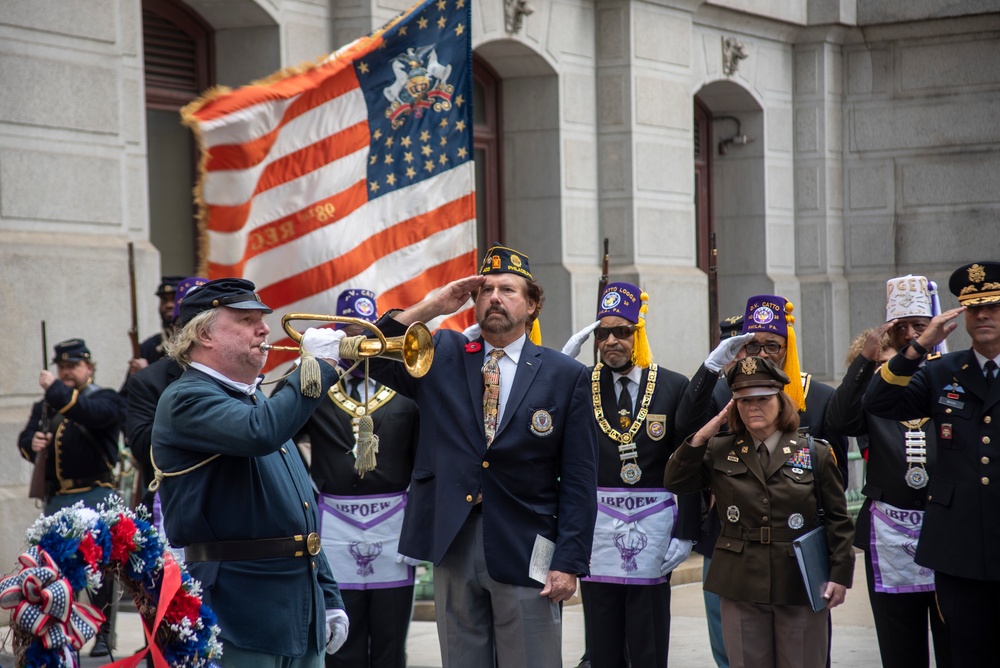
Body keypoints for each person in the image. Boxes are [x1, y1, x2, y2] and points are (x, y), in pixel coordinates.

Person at [366, 245, 599, 667]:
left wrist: (569, 561)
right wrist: (433, 305)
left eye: (508, 289)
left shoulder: (565, 375)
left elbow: (580, 477)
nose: (494, 297)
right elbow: (371, 350)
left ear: (531, 305)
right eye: (485, 289)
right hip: (453, 539)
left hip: (528, 543)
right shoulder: (441, 354)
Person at [150, 277, 349, 667]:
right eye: (246, 320)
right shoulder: (185, 398)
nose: (263, 329)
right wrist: (317, 367)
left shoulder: (254, 399)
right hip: (239, 613)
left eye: (262, 319)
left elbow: (299, 509)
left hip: (299, 608)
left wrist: (329, 594)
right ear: (204, 334)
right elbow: (260, 433)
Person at [664, 356, 855, 668]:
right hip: (740, 582)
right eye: (744, 400)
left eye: (763, 399)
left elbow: (838, 519)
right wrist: (700, 437)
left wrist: (839, 575)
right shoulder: (719, 449)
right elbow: (675, 480)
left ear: (780, 401)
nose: (753, 407)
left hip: (800, 580)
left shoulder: (813, 451)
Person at [863, 261, 1000, 666]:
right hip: (958, 548)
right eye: (973, 308)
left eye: (992, 305)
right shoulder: (941, 371)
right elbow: (879, 402)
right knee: (964, 652)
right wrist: (919, 345)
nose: (983, 315)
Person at [571, 282, 700, 668]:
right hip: (597, 537)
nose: (611, 340)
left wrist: (687, 530)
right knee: (602, 645)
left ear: (638, 333)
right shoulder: (580, 384)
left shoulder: (673, 386)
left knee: (648, 644)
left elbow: (688, 461)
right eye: (603, 332)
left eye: (622, 331)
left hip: (654, 534)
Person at [291, 288, 420, 668]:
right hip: (335, 522)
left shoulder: (405, 389)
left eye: (366, 333)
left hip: (393, 523)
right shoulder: (315, 386)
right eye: (349, 332)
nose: (358, 342)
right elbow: (279, 432)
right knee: (340, 639)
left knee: (390, 640)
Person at [826, 275, 950, 668]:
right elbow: (840, 421)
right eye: (902, 328)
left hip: (947, 530)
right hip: (890, 535)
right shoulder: (877, 390)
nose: (912, 335)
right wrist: (866, 361)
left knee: (956, 644)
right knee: (900, 650)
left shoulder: (950, 378)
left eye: (920, 326)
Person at [17, 337, 126, 657]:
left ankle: (104, 631)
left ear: (88, 368)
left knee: (100, 569)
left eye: (73, 366)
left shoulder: (103, 398)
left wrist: (56, 390)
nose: (66, 371)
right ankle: (63, 632)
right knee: (54, 571)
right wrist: (31, 444)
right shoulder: (46, 404)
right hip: (58, 498)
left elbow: (90, 414)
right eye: (61, 366)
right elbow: (25, 439)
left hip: (96, 494)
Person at [126, 277, 206, 509]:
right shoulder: (148, 375)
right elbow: (141, 444)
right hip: (172, 496)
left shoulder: (240, 376)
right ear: (177, 329)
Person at [127, 275, 184, 374]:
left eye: (174, 299)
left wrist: (146, 373)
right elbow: (127, 389)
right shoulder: (148, 347)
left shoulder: (195, 346)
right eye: (164, 300)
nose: (168, 305)